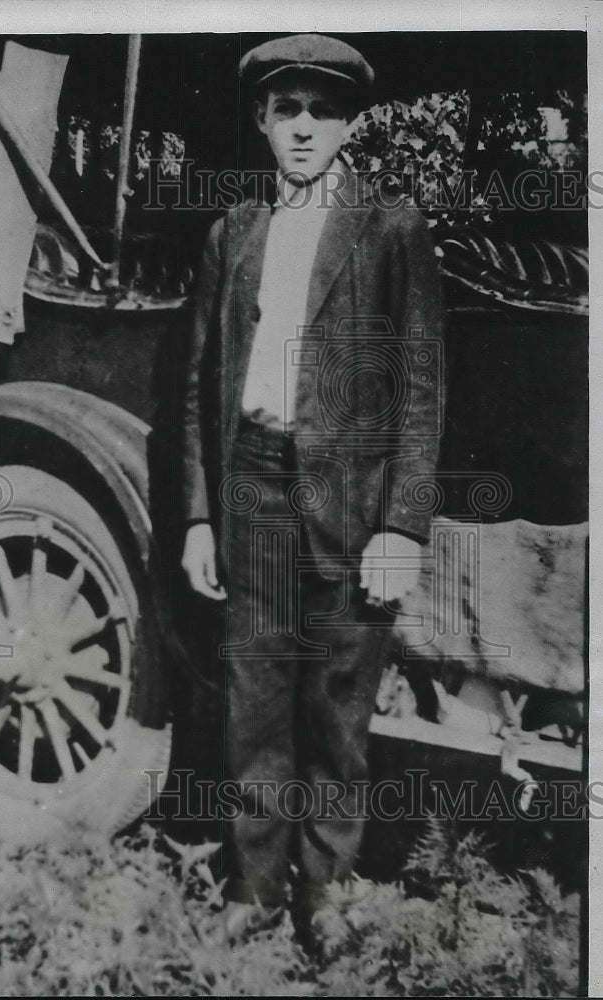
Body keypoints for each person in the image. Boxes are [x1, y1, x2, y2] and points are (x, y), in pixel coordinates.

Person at [180, 33, 443, 946]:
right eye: (284, 108)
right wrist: (200, 515)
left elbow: (419, 386)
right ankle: (253, 890)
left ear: (350, 123)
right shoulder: (233, 233)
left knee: (335, 706)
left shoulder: (391, 228)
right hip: (251, 478)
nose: (301, 127)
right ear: (261, 119)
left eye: (321, 110)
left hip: (350, 497)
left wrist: (401, 524)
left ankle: (325, 893)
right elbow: (199, 383)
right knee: (255, 698)